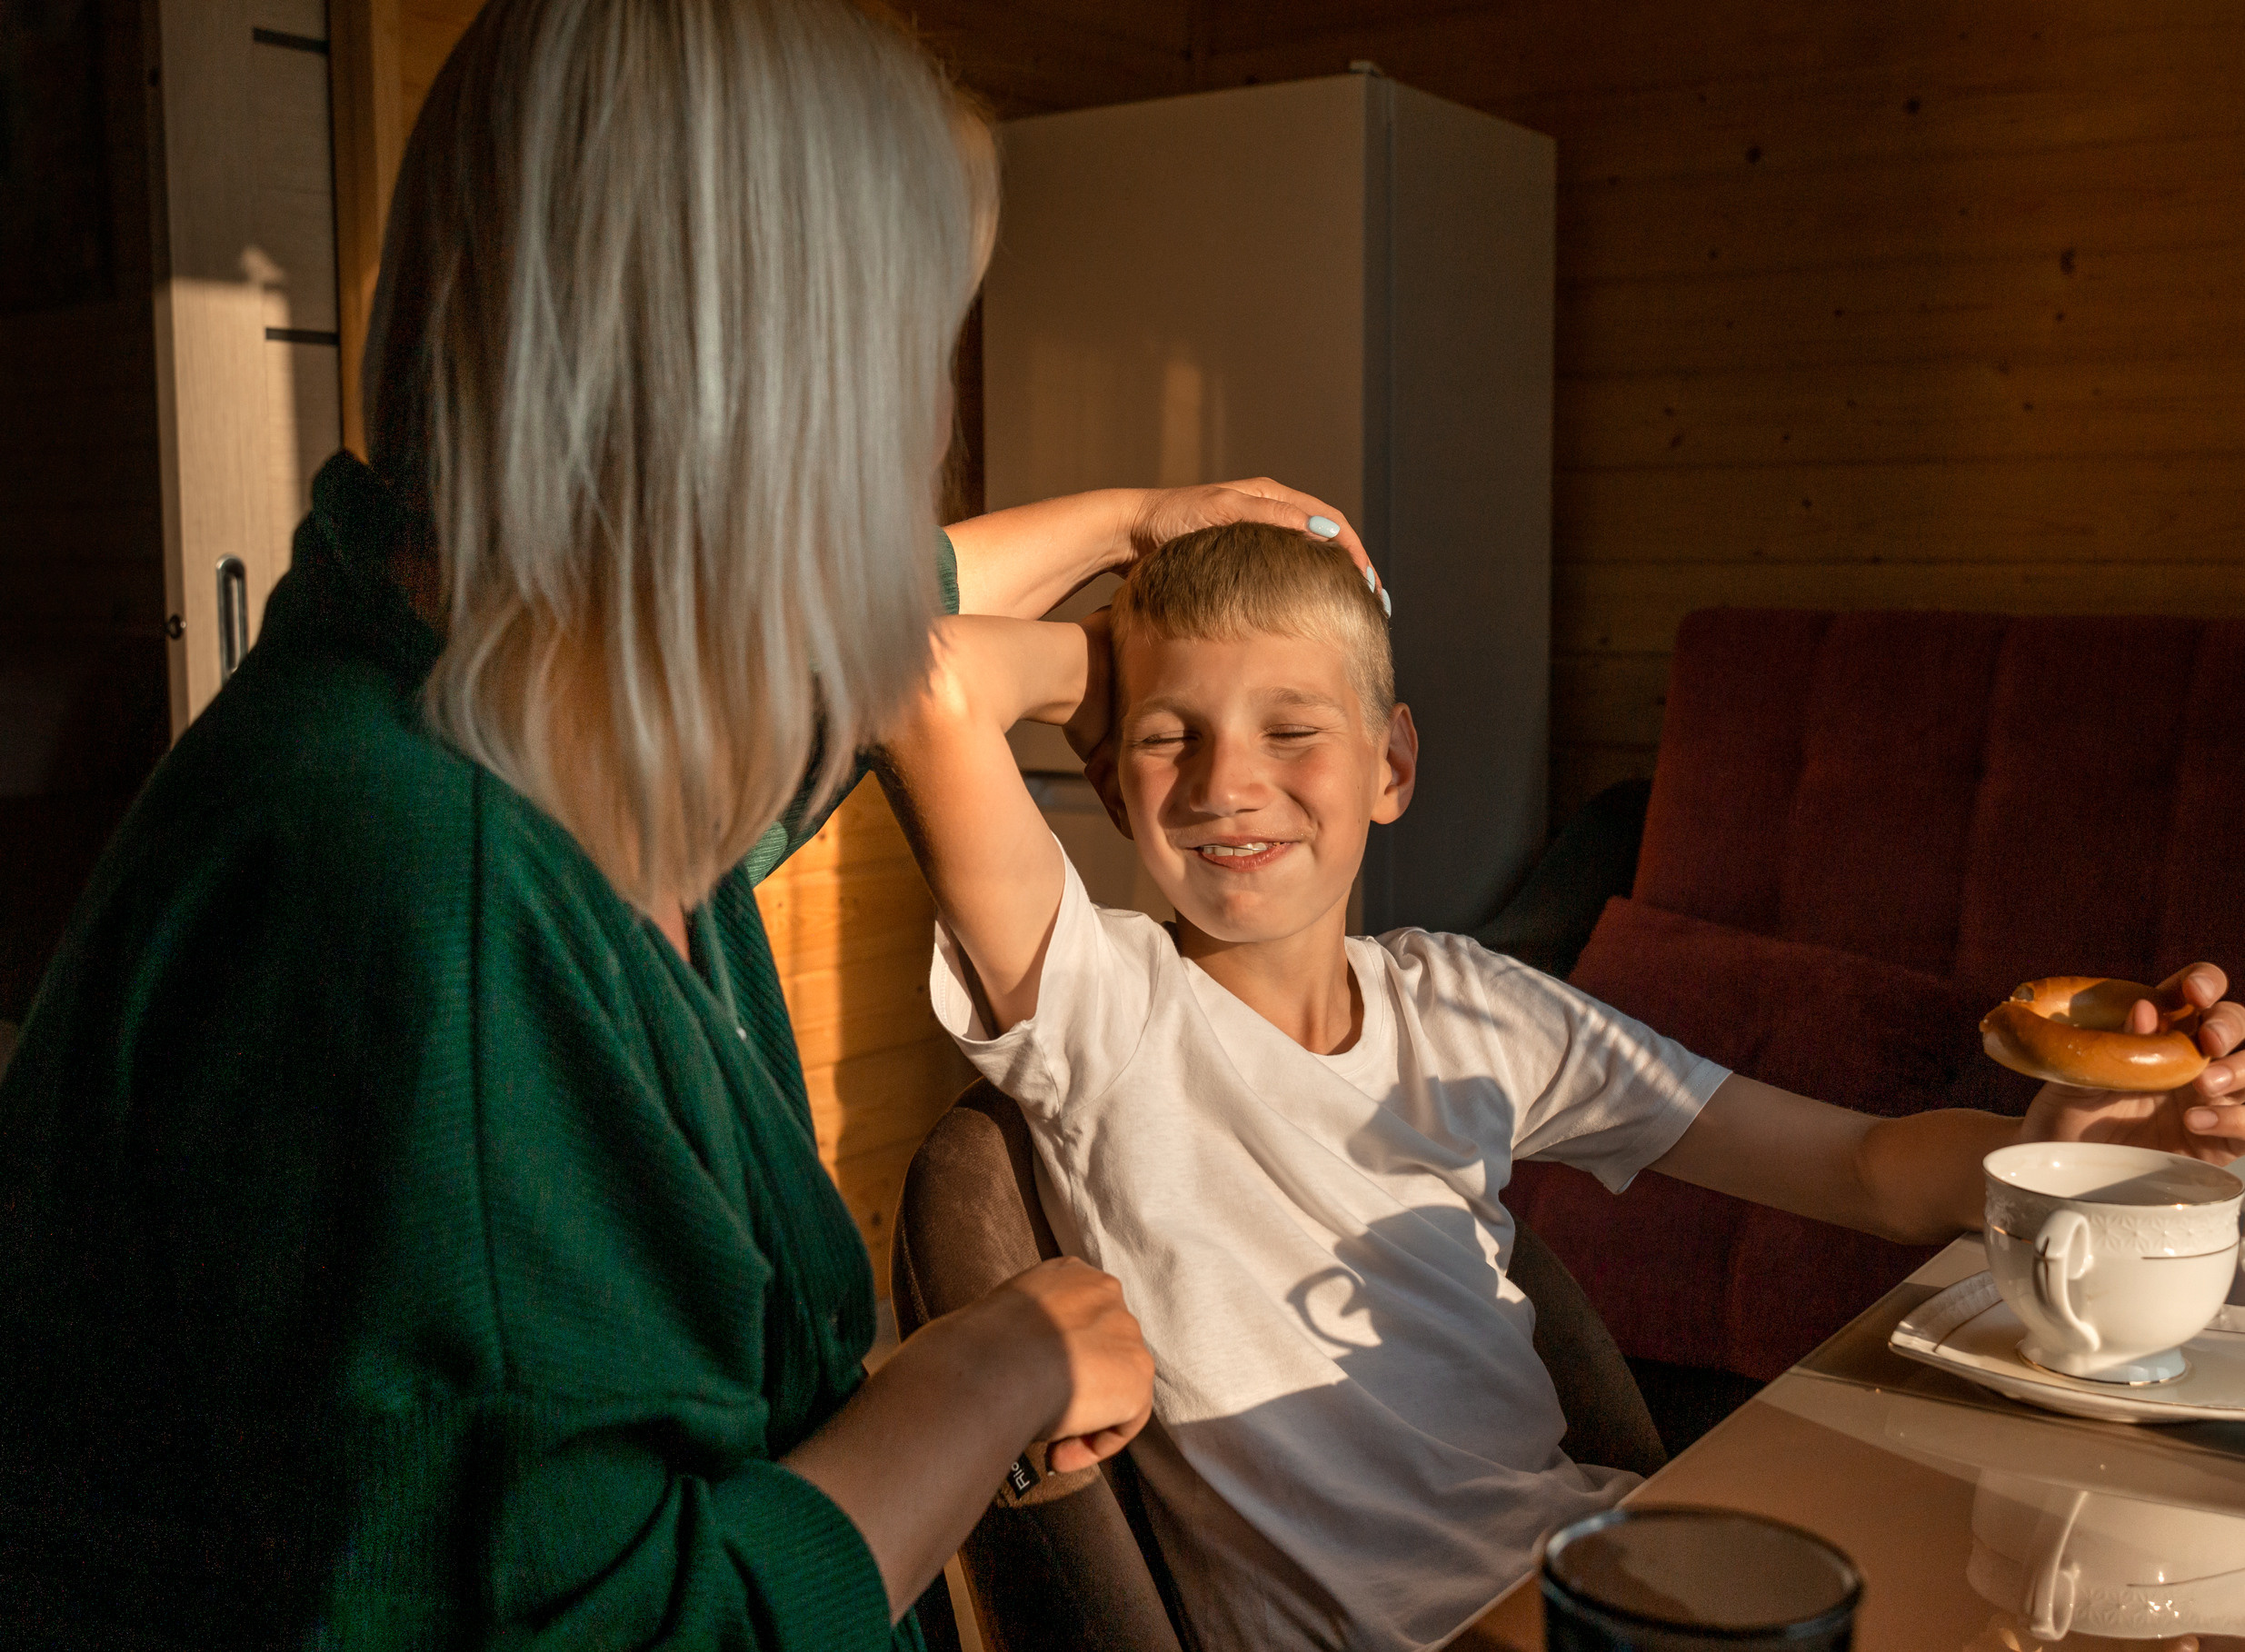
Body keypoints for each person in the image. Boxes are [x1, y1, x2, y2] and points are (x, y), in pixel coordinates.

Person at [0, 3, 1376, 1646]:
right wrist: (979, 1369)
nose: (929, 426)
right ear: (765, 405)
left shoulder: (503, 701)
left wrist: (1132, 560)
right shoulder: (428, 906)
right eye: (915, 357)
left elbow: (881, 629)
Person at [877, 520, 2245, 1652]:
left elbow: (1862, 1171)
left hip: (1606, 1570)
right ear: (1111, 785)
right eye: (1168, 738)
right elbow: (918, 668)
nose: (1232, 781)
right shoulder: (1096, 1013)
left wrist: (2061, 1145)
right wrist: (1135, 561)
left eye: (1293, 727)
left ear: (1391, 764)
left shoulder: (1469, 1004)